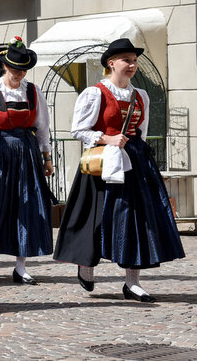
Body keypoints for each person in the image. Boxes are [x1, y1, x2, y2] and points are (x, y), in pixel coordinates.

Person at [54, 38, 184, 302]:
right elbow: (78, 130)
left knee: (137, 219)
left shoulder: (141, 96)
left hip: (134, 163)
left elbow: (141, 132)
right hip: (103, 163)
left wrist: (141, 159)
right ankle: (86, 265)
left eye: (134, 61)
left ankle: (132, 283)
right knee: (96, 218)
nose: (132, 65)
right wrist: (107, 138)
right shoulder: (95, 93)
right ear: (111, 63)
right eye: (127, 60)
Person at [0, 38, 54, 284]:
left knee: (27, 206)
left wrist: (46, 157)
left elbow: (43, 127)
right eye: (16, 68)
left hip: (27, 153)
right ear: (5, 66)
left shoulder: (33, 91)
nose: (20, 73)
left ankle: (20, 266)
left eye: (23, 69)